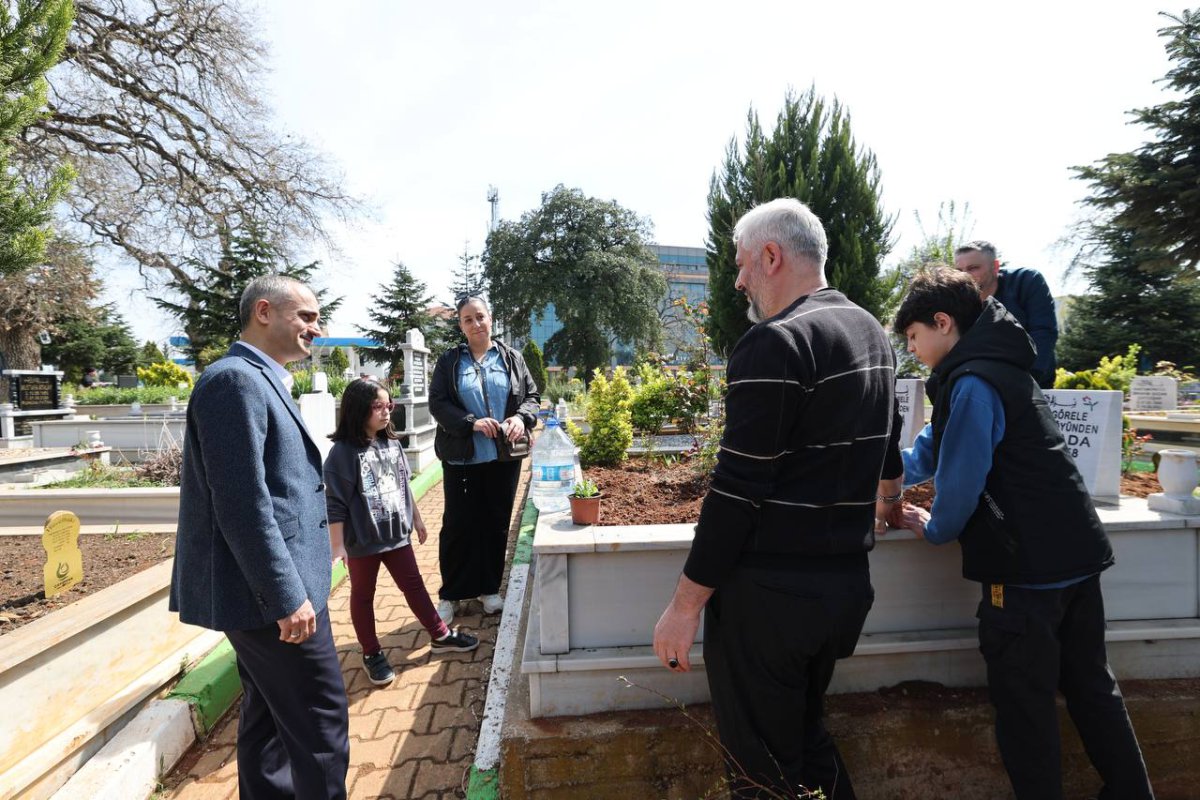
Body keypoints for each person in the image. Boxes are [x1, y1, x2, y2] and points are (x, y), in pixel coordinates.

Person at [652, 198, 903, 799]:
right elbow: (890, 443)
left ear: (772, 255)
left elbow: (737, 489)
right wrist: (891, 501)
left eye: (741, 265)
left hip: (771, 602)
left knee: (760, 774)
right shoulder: (871, 331)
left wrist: (684, 607)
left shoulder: (775, 342)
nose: (737, 280)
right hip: (844, 590)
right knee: (805, 740)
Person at [889, 266, 1154, 799]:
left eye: (914, 337)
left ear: (942, 323)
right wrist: (875, 470)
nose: (913, 351)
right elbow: (930, 453)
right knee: (1093, 689)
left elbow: (961, 481)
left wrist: (934, 527)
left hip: (1026, 573)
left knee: (1025, 711)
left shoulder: (970, 384)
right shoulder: (1001, 367)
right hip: (1076, 554)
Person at [169, 275, 350, 800]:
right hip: (270, 600)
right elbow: (244, 503)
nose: (316, 329)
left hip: (269, 594)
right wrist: (287, 596)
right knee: (320, 724)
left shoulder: (258, 377)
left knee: (268, 724)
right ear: (265, 312)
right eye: (308, 317)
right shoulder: (234, 382)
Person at [323, 378, 479, 687]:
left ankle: (440, 634)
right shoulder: (342, 453)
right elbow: (335, 504)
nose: (385, 413)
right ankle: (371, 653)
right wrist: (337, 546)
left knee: (415, 586)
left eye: (388, 405)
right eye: (377, 407)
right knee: (363, 596)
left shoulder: (392, 443)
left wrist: (417, 520)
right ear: (357, 411)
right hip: (363, 543)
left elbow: (403, 488)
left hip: (397, 536)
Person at [429, 295, 539, 625]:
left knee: (495, 524)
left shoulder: (512, 358)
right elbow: (438, 402)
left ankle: (489, 590)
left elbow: (532, 396)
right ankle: (451, 594)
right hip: (463, 458)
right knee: (458, 526)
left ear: (490, 319)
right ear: (461, 326)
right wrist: (470, 422)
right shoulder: (450, 361)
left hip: (503, 458)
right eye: (468, 319)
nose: (476, 324)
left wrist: (521, 418)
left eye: (480, 316)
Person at [954, 240, 1058, 388]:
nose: (965, 276)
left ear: (995, 267)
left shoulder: (1027, 281)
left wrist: (1030, 379)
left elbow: (1043, 331)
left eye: (973, 268)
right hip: (982, 380)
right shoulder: (956, 298)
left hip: (1033, 381)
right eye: (959, 271)